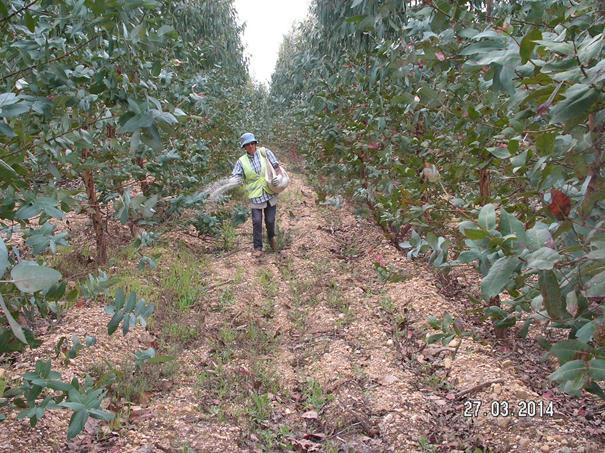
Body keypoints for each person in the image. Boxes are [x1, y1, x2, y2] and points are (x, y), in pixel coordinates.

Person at [232, 132, 283, 257]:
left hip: (270, 192)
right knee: (256, 221)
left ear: (255, 143)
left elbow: (276, 166)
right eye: (247, 145)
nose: (250, 146)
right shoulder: (241, 161)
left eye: (252, 143)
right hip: (255, 195)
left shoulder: (265, 152)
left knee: (270, 220)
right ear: (244, 147)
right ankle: (258, 247)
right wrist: (235, 180)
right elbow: (236, 175)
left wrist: (279, 176)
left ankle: (272, 238)